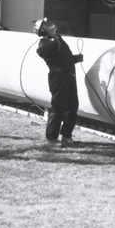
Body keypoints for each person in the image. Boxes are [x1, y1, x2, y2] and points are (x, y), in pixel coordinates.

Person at [34, 18, 83, 146]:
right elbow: (42, 52)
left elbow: (65, 58)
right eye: (47, 25)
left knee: (72, 106)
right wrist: (51, 40)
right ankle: (51, 138)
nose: (52, 26)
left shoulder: (58, 39)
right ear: (43, 30)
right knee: (58, 107)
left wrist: (76, 58)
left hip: (69, 76)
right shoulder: (44, 41)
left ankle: (66, 136)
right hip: (58, 77)